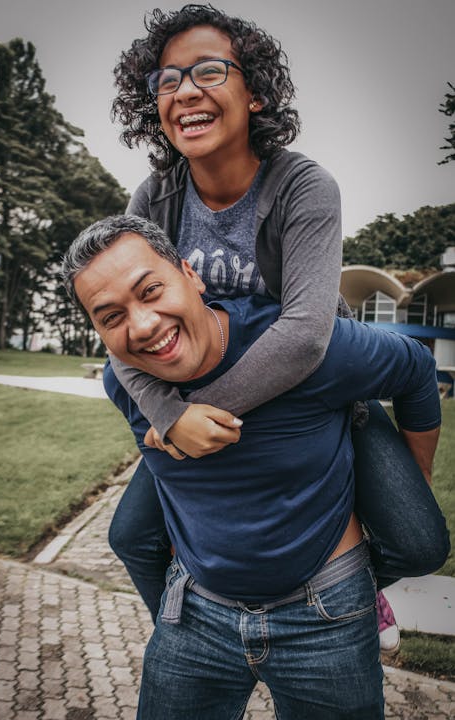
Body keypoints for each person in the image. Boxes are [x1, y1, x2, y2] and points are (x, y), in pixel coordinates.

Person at [107, 3, 449, 653]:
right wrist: (169, 414)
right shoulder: (156, 197)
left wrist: (197, 409)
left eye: (208, 71)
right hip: (205, 402)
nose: (184, 91)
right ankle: (203, 635)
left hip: (314, 391)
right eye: (167, 80)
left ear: (256, 92)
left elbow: (304, 336)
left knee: (421, 541)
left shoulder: (302, 186)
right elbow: (125, 332)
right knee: (130, 537)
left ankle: (348, 597)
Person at [62, 214, 443, 720]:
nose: (143, 325)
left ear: (191, 275)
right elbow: (175, 488)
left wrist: (414, 480)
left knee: (423, 542)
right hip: (195, 614)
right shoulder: (125, 383)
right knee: (128, 534)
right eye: (111, 316)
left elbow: (415, 371)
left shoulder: (313, 350)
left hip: (326, 618)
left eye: (151, 290)